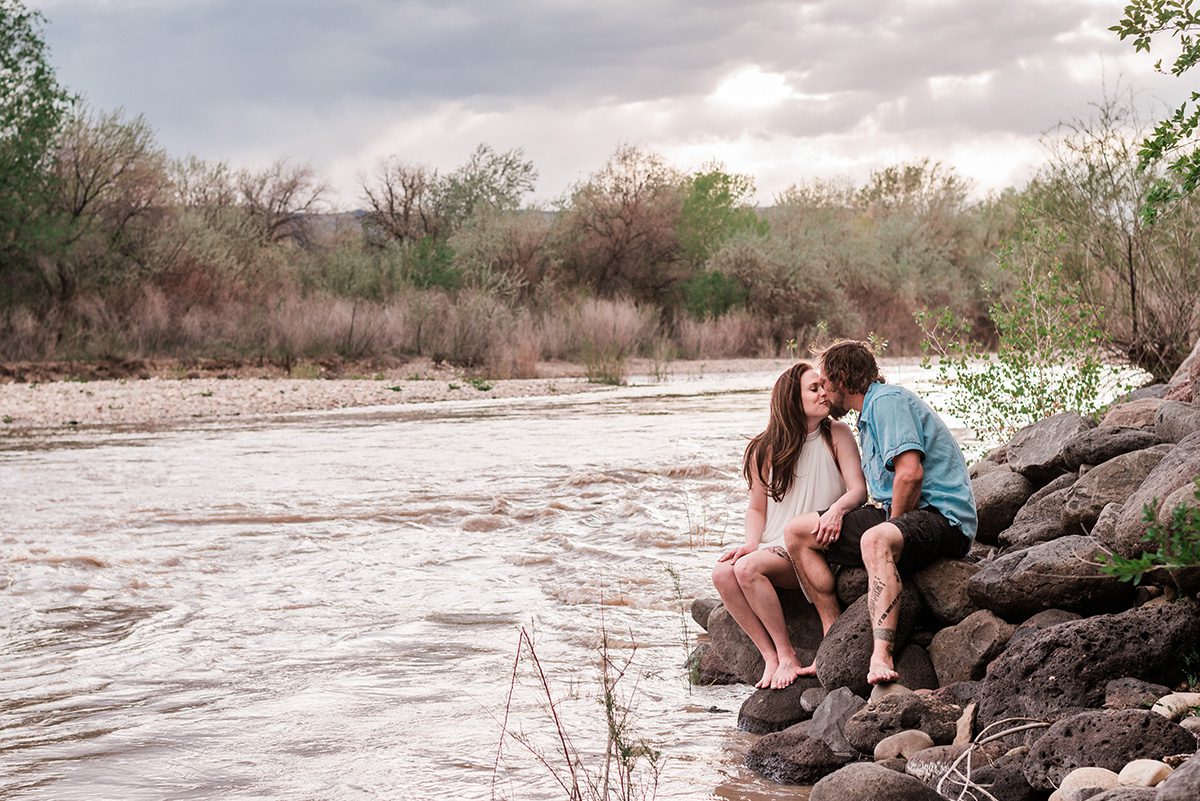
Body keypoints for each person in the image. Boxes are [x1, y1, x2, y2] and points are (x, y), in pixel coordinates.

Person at [785, 340, 977, 686]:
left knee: (876, 540)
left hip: (942, 518)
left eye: (825, 382)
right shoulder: (867, 416)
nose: (825, 393)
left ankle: (881, 654)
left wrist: (890, 529)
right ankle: (832, 637)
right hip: (905, 513)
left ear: (842, 378)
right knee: (797, 532)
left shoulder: (886, 403)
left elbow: (909, 474)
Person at [712, 362, 867, 690]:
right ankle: (772, 656)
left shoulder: (836, 434)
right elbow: (756, 507)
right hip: (772, 544)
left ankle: (788, 655)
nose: (824, 393)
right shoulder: (764, 448)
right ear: (791, 400)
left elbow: (858, 489)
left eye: (823, 386)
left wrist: (836, 511)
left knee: (747, 570)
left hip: (813, 541)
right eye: (814, 389)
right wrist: (750, 543)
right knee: (722, 573)